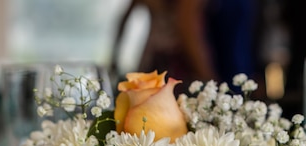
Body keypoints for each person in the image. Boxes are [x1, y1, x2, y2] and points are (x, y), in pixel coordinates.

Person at [111, 0, 262, 92]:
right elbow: (187, 28)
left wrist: (115, 56)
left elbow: (124, 18)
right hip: (179, 62)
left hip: (152, 58)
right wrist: (207, 75)